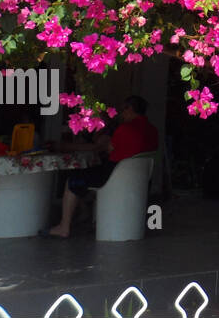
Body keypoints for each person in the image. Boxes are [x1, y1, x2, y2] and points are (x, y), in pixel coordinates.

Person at [43, 95, 157, 239]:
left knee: (73, 180)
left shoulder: (125, 129)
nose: (121, 114)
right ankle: (86, 214)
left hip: (113, 176)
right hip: (138, 181)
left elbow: (108, 148)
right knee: (86, 174)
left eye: (123, 110)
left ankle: (63, 227)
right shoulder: (153, 130)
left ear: (130, 109)